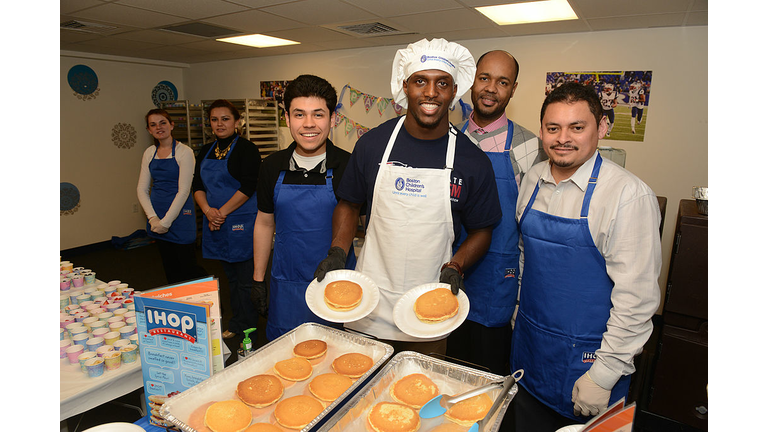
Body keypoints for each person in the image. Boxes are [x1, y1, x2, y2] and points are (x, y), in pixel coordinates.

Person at [314, 38, 502, 355]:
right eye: (420, 81)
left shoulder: (472, 161)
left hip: (430, 305)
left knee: (419, 391)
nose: (431, 92)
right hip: (367, 303)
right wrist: (337, 249)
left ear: (454, 91)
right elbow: (349, 203)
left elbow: (483, 230)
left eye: (442, 83)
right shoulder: (372, 145)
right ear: (406, 86)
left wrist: (456, 265)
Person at [505, 82, 661, 431]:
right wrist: (517, 310)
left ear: (601, 128)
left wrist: (603, 376)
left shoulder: (627, 195)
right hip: (530, 350)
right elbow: (525, 256)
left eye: (577, 127)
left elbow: (636, 299)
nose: (563, 138)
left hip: (589, 362)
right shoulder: (532, 179)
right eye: (553, 128)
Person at [446, 50, 546, 375]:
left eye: (502, 82)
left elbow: (535, 229)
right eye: (484, 78)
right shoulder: (449, 140)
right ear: (472, 81)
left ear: (513, 89)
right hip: (446, 274)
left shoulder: (530, 147)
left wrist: (523, 298)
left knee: (486, 377)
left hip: (496, 281)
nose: (491, 88)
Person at [252, 74, 356, 341]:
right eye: (299, 115)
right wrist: (257, 279)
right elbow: (264, 223)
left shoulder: (349, 166)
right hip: (286, 284)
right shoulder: (271, 166)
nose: (309, 124)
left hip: (337, 284)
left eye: (318, 115)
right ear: (287, 119)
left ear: (332, 119)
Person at [193, 99, 262, 339]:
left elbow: (249, 185)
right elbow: (198, 185)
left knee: (245, 278)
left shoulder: (246, 149)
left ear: (236, 121)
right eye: (215, 119)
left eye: (225, 119)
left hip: (240, 221)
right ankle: (237, 321)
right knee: (229, 278)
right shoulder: (205, 150)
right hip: (216, 222)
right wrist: (208, 211)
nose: (220, 124)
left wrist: (220, 212)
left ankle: (247, 324)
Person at [137, 109, 207, 284]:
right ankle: (178, 306)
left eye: (163, 122)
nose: (158, 127)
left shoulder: (185, 152)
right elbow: (142, 189)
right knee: (170, 267)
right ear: (148, 130)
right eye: (153, 124)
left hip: (180, 216)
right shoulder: (149, 153)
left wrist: (166, 222)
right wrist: (153, 219)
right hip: (157, 216)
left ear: (171, 125)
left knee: (188, 268)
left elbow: (184, 190)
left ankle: (205, 301)